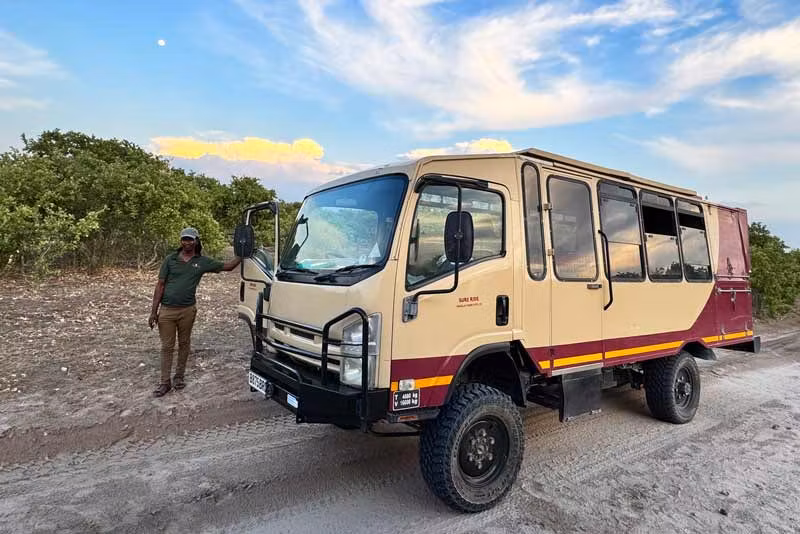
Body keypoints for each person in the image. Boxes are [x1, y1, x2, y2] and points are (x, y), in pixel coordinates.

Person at [148, 227, 242, 397]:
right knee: (167, 347)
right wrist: (154, 312)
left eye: (190, 239)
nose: (187, 242)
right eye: (184, 239)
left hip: (188, 310)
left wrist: (242, 253)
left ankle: (179, 377)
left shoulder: (202, 262)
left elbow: (228, 267)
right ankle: (164, 382)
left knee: (184, 344)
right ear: (180, 241)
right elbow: (160, 285)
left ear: (196, 241)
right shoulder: (170, 259)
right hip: (167, 311)